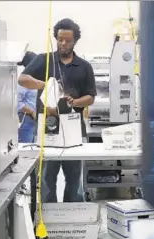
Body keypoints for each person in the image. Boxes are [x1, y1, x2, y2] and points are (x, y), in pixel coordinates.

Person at [18, 18, 96, 203]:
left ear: (75, 40)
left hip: (74, 130)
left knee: (74, 180)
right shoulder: (44, 60)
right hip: (47, 128)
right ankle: (47, 222)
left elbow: (91, 96)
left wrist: (75, 101)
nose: (63, 43)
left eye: (68, 40)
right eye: (60, 39)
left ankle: (73, 223)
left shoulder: (84, 66)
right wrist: (46, 84)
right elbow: (22, 78)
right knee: (46, 179)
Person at [17, 51, 38, 143]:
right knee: (26, 147)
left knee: (32, 147)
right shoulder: (23, 81)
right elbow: (16, 102)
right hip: (26, 118)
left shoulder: (34, 80)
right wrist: (31, 112)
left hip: (34, 119)